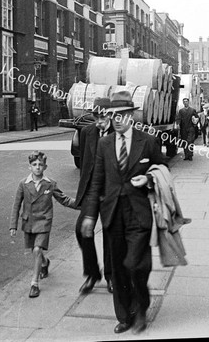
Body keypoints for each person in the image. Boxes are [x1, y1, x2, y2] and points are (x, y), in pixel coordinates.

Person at [81, 90, 167, 335]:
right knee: (118, 268)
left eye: (121, 115)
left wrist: (148, 178)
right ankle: (125, 315)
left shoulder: (147, 141)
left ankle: (141, 308)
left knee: (135, 265)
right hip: (113, 214)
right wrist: (89, 215)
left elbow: (162, 167)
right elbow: (97, 180)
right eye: (112, 115)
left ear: (131, 115)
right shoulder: (105, 144)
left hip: (139, 213)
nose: (116, 119)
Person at [9, 151, 76, 298]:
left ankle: (34, 283)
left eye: (40, 164)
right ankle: (45, 263)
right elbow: (16, 205)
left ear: (45, 166)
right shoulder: (23, 184)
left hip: (44, 221)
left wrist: (83, 204)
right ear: (29, 167)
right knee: (35, 250)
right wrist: (13, 225)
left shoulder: (50, 184)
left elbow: (64, 199)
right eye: (34, 165)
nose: (37, 167)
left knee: (37, 250)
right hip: (29, 222)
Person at [75, 97, 113, 295]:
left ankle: (111, 276)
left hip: (110, 192)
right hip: (91, 190)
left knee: (110, 234)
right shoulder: (87, 132)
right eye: (96, 117)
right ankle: (92, 273)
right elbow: (84, 163)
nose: (99, 121)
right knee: (82, 230)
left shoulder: (118, 132)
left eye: (103, 117)